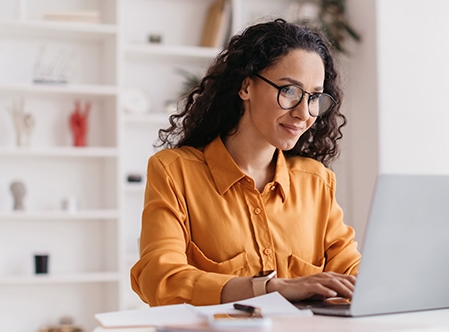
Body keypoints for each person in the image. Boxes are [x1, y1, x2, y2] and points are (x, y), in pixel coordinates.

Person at [130, 19, 361, 307]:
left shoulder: (316, 181)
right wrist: (270, 288)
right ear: (246, 87)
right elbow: (160, 279)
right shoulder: (174, 171)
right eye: (289, 90)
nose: (304, 113)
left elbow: (352, 275)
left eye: (314, 97)